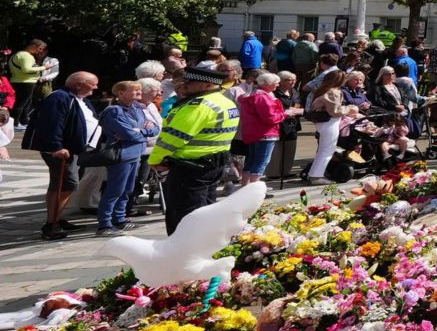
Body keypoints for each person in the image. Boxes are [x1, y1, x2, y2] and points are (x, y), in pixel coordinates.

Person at [149, 62, 238, 233]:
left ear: (207, 84)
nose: (184, 85)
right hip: (213, 165)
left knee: (185, 216)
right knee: (206, 210)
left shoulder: (199, 106)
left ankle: (183, 253)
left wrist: (155, 160)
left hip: (190, 168)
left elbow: (173, 138)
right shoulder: (224, 102)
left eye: (190, 83)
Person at [28, 70, 99, 240]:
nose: (96, 87)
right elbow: (52, 124)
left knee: (67, 184)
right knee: (65, 184)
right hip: (61, 152)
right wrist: (56, 147)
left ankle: (57, 219)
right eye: (93, 83)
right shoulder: (59, 97)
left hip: (75, 149)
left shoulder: (79, 98)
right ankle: (51, 225)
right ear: (79, 84)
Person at [94, 81, 152, 234]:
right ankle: (105, 224)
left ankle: (120, 218)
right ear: (120, 93)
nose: (140, 92)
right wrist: (142, 132)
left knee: (128, 189)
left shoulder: (137, 108)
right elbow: (128, 133)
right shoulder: (113, 111)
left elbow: (154, 128)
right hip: (122, 155)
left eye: (140, 89)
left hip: (136, 153)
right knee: (115, 189)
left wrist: (140, 132)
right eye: (135, 90)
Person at [236, 71, 291, 184]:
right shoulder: (262, 97)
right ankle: (253, 190)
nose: (277, 85)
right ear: (266, 84)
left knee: (251, 161)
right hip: (265, 133)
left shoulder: (251, 95)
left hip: (252, 133)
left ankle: (245, 186)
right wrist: (285, 114)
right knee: (261, 162)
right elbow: (270, 118)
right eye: (276, 83)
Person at [8, 39, 55, 126]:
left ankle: (24, 121)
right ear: (33, 46)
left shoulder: (18, 54)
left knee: (26, 103)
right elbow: (26, 69)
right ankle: (14, 124)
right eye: (40, 48)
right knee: (21, 103)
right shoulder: (25, 55)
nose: (41, 51)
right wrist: (44, 67)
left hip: (19, 81)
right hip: (25, 82)